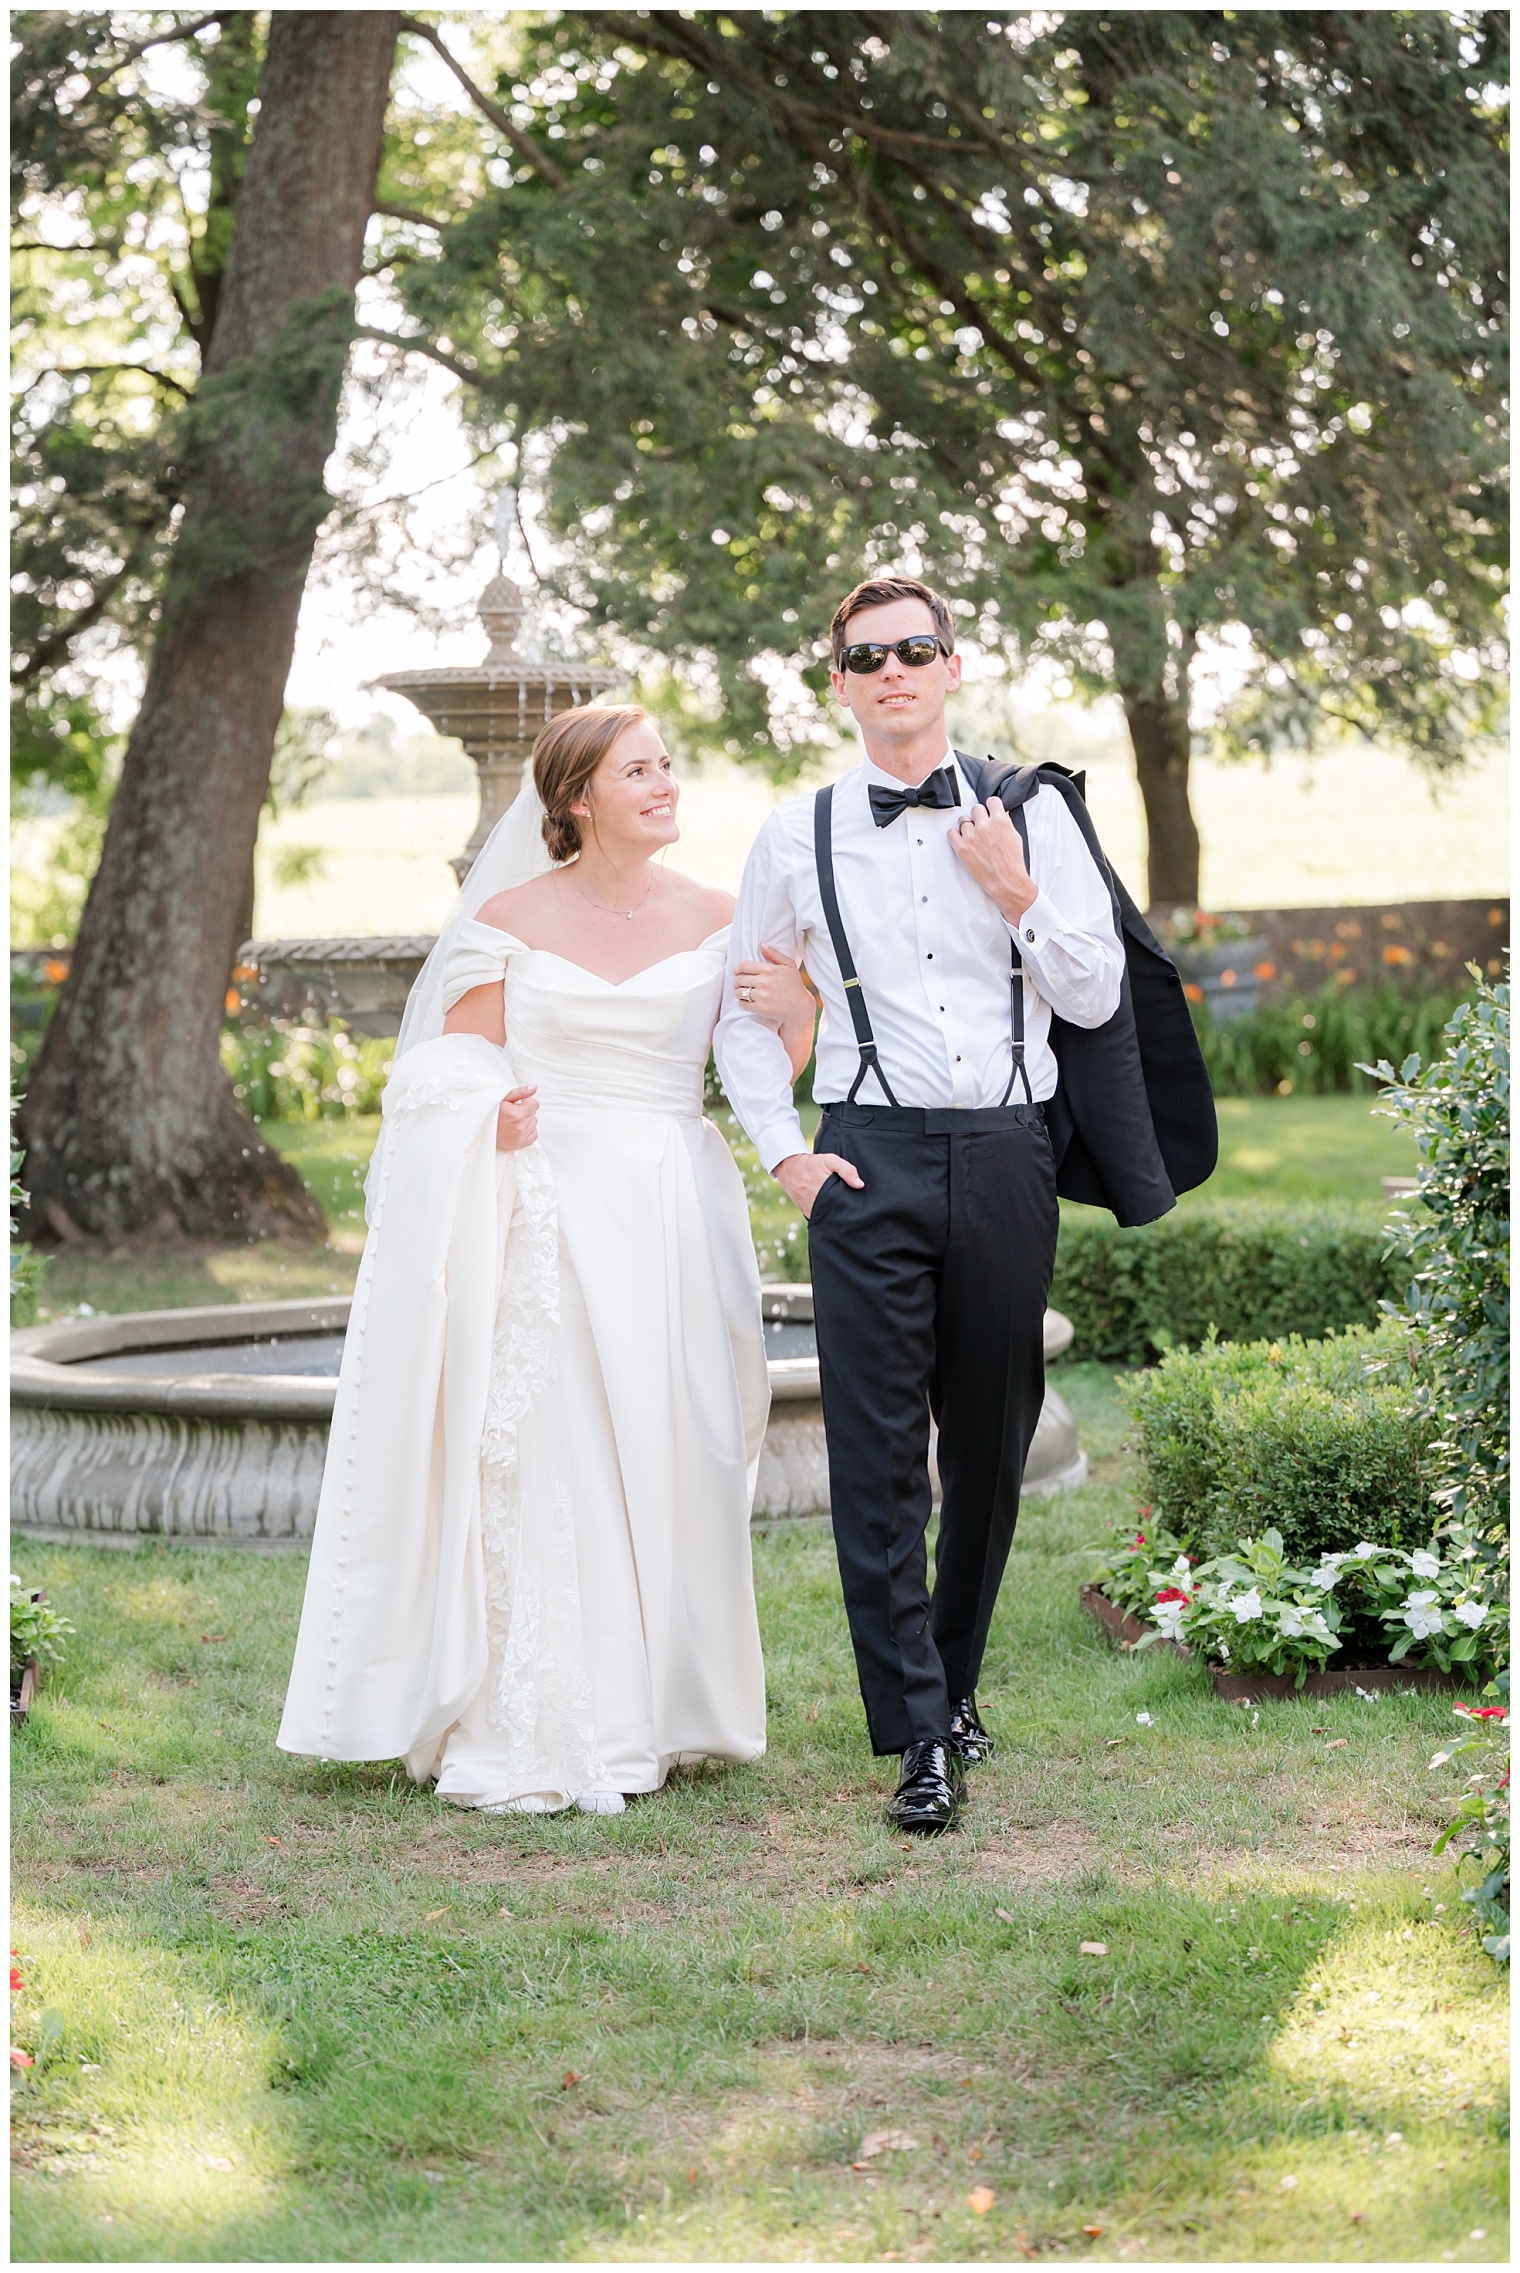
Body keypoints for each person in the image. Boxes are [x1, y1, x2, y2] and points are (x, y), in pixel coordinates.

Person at [279, 705, 816, 1814]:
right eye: (639, 770)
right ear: (575, 800)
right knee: (563, 1445)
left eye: (667, 764)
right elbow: (448, 1069)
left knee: (682, 1437)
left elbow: (769, 1063)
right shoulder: (508, 918)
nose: (666, 783)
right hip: (550, 1202)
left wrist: (797, 1006)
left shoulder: (723, 917)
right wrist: (494, 1123)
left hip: (673, 1198)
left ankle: (672, 1705)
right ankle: (562, 1709)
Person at [718, 577, 1126, 1834]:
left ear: (952, 666)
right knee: (879, 1455)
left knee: (991, 1448)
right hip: (865, 1160)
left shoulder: (1031, 813)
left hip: (1006, 1151)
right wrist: (785, 1151)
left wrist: (1014, 888)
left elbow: (1097, 992)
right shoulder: (794, 836)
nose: (892, 669)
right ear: (837, 683)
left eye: (916, 649)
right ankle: (914, 1733)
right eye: (865, 656)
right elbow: (743, 1007)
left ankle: (948, 1685)